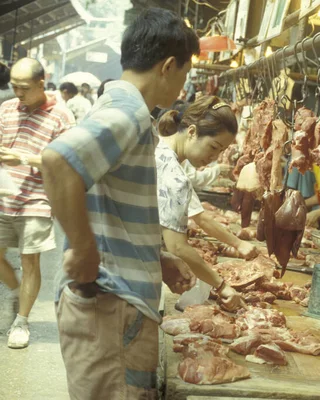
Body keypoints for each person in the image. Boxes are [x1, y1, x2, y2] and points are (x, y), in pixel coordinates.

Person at [41, 8, 199, 399]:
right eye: (185, 73)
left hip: (112, 303)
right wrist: (82, 248)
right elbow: (57, 162)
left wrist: (152, 256)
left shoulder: (121, 106)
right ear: (167, 66)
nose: (183, 84)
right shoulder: (128, 112)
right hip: (111, 305)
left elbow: (105, 200)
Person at [0, 58, 75, 348]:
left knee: (29, 260)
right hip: (4, 194)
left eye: (24, 88)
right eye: (14, 87)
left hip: (37, 199)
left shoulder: (61, 116)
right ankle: (19, 290)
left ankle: (21, 321)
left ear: (41, 84)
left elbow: (64, 161)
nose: (18, 94)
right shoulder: (6, 109)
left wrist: (20, 158)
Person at [156, 96, 258, 267]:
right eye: (213, 147)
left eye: (221, 151)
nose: (214, 158)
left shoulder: (165, 153)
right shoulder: (169, 167)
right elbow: (178, 246)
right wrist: (221, 285)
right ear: (191, 132)